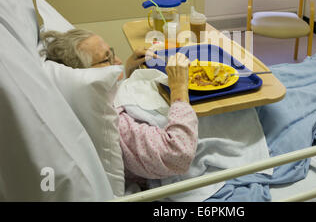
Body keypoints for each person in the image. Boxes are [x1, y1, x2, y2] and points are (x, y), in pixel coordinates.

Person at [40, 29, 198, 185]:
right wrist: (179, 88)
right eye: (106, 59)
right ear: (84, 76)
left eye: (112, 52)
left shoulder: (88, 101)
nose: (118, 61)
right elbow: (178, 154)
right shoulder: (115, 125)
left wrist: (126, 71)